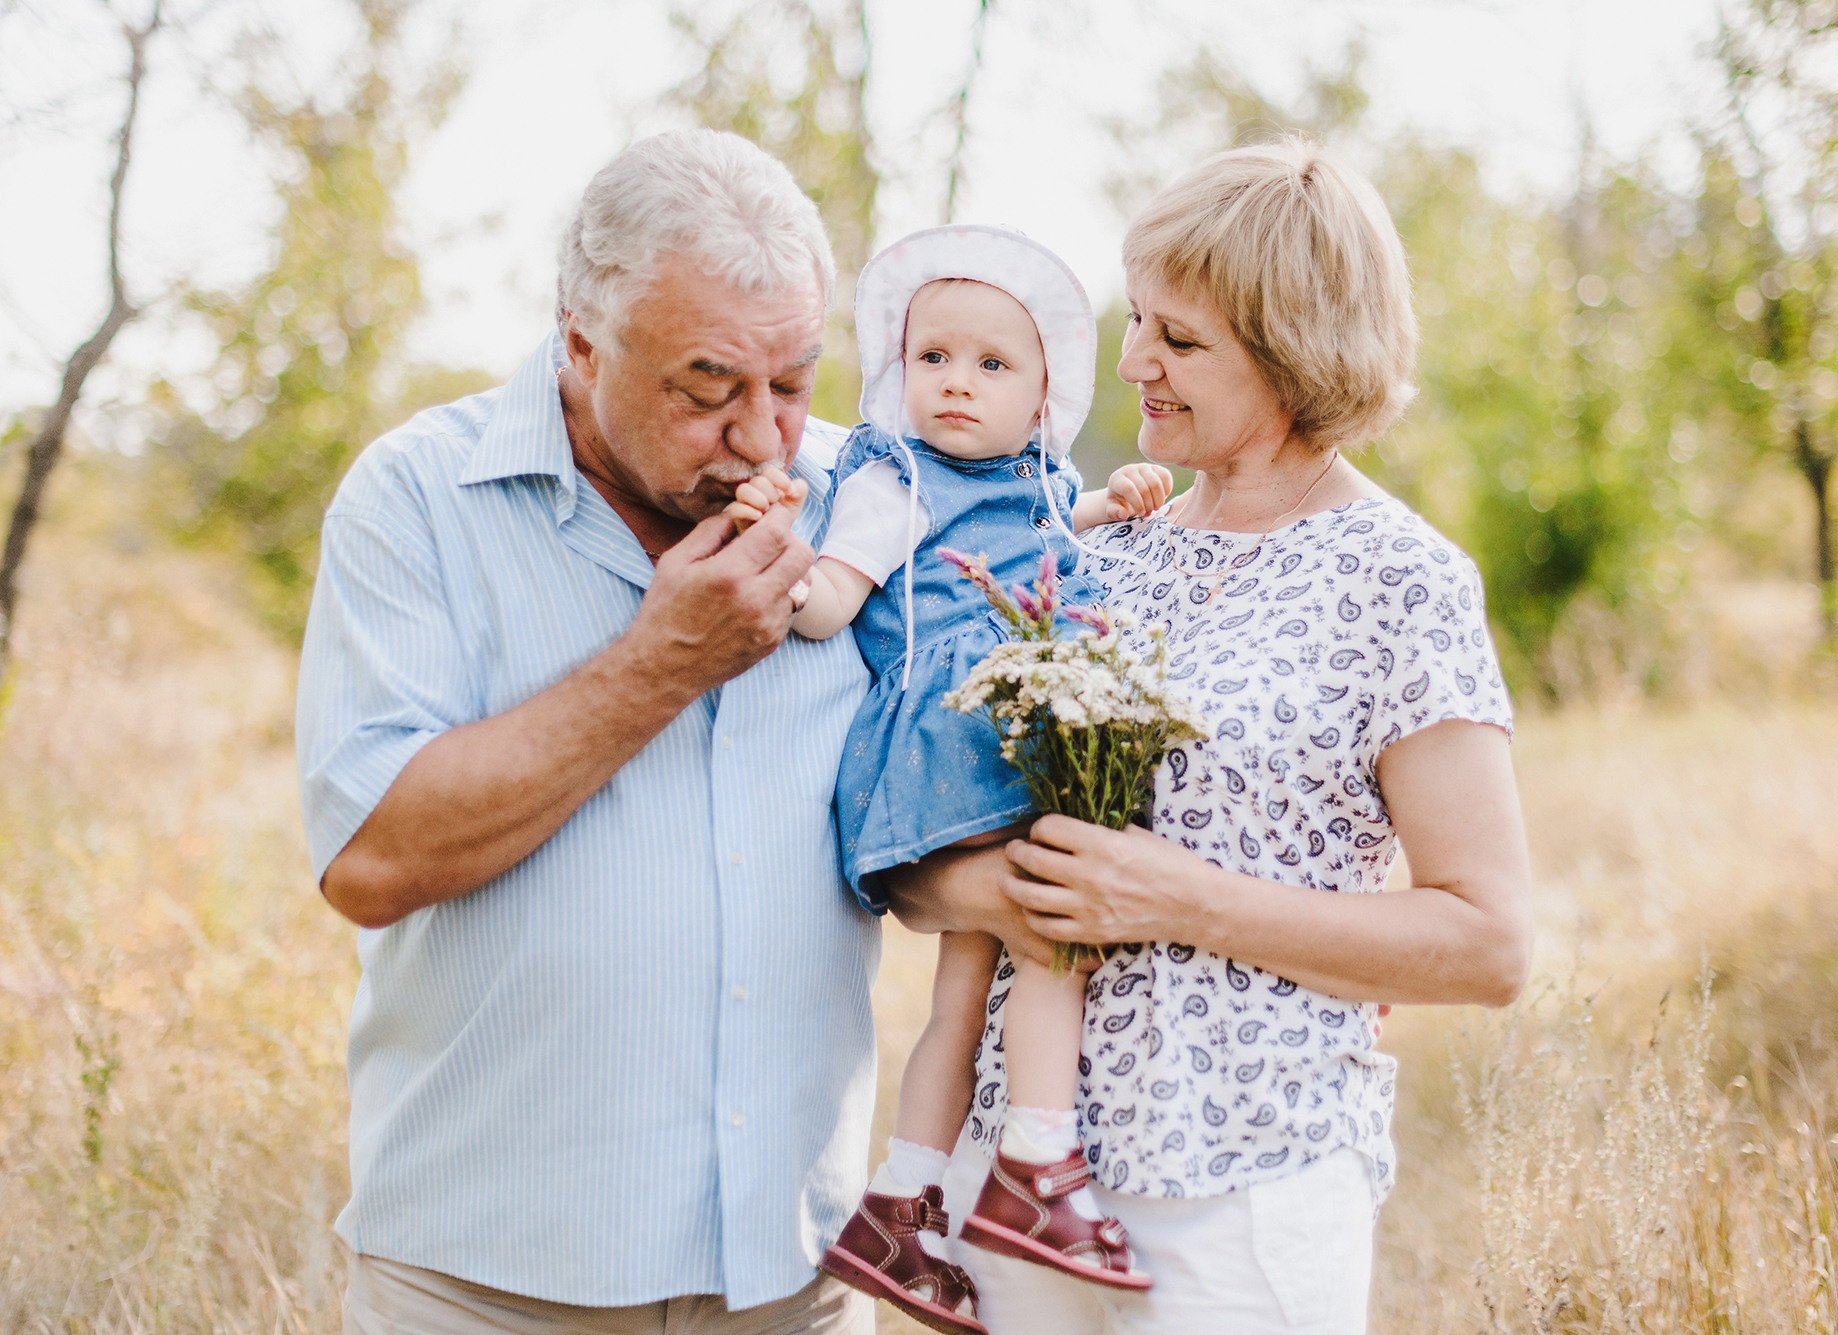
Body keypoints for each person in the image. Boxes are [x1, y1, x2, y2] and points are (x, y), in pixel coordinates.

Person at [886, 140, 1535, 1335]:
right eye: (1136, 321)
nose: (1131, 361)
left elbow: (1488, 944)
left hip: (1243, 1197)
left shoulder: (1400, 583)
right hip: (1020, 1185)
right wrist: (978, 884)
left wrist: (1182, 899)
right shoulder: (1087, 559)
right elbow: (914, 836)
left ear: (1295, 354)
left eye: (1178, 340)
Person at [295, 129, 878, 1333]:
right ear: (578, 340)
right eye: (707, 389)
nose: (765, 438)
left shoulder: (871, 510)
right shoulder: (416, 500)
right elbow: (373, 857)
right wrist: (660, 667)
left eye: (793, 382)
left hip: (794, 1281)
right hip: (483, 1281)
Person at [724, 225, 1174, 1335]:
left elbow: (1028, 549)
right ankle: (1037, 1169)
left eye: (990, 366)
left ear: (1039, 400)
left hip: (996, 746)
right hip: (943, 749)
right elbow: (832, 604)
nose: (956, 386)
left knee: (963, 996)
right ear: (895, 372)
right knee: (1052, 933)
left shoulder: (1030, 482)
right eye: (933, 359)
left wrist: (1103, 515)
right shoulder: (891, 480)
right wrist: (780, 549)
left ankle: (901, 1205)